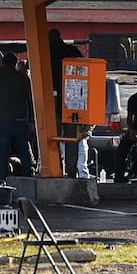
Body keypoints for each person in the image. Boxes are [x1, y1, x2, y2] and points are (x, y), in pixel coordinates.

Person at [0, 51, 34, 183]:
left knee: (3, 152)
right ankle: (28, 179)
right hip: (21, 120)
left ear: (2, 62)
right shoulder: (23, 78)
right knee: (24, 152)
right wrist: (31, 121)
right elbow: (30, 101)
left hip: (3, 121)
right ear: (15, 63)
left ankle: (2, 180)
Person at [47, 29, 85, 174]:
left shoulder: (46, 53)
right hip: (73, 101)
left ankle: (56, 168)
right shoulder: (73, 51)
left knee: (52, 138)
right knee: (71, 138)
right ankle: (71, 170)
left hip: (51, 101)